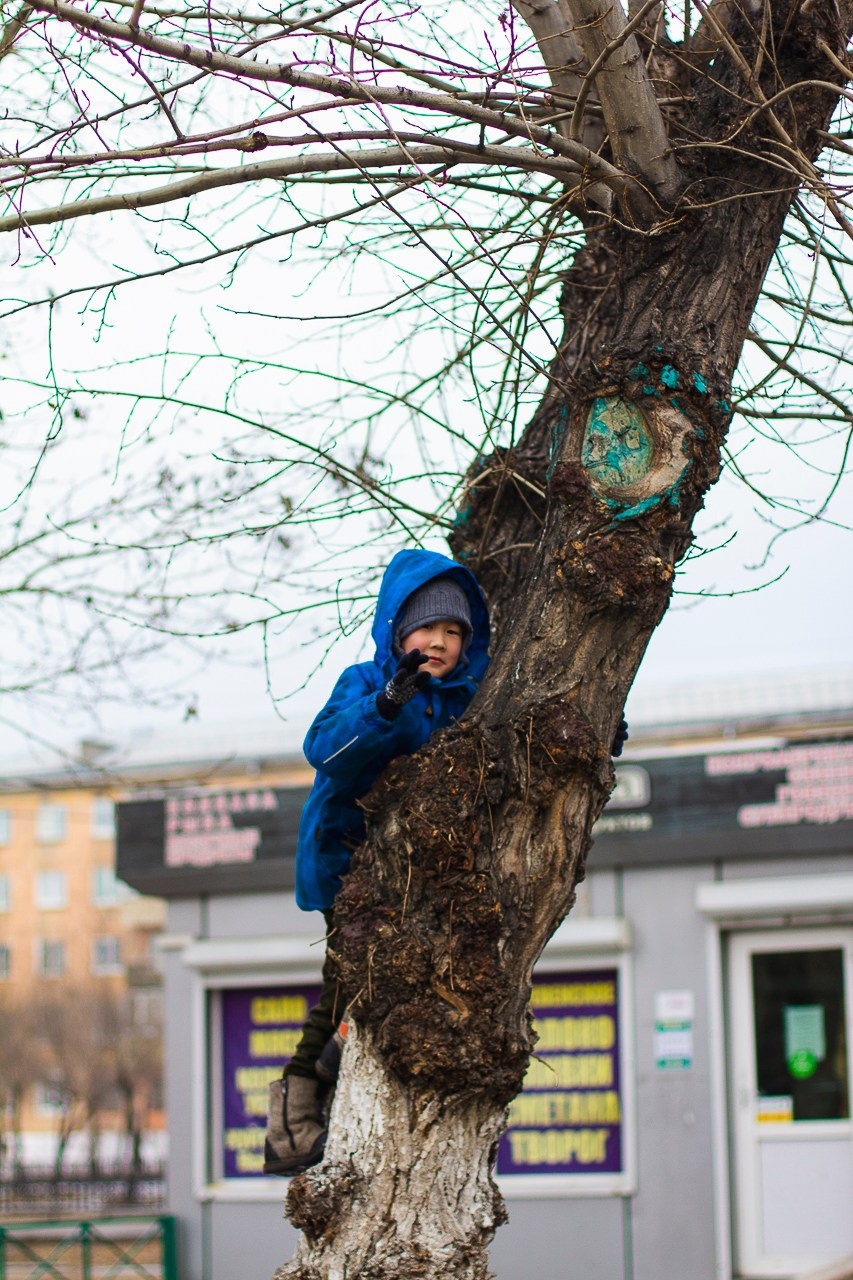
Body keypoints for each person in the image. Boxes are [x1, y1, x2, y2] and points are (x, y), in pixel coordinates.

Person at [263, 549, 491, 1176]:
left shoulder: (466, 697)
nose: (440, 642)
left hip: (424, 877)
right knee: (344, 985)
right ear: (396, 630)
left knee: (399, 981)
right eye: (427, 628)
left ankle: (340, 1072)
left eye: (453, 631)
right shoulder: (366, 683)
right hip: (347, 866)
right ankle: (290, 1119)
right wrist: (388, 704)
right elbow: (325, 751)